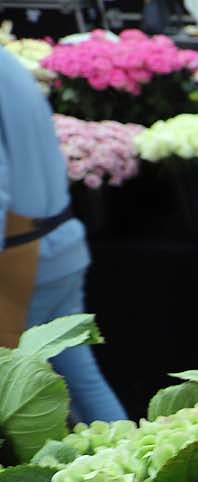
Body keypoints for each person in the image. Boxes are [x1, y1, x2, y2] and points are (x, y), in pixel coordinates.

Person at [0, 44, 125, 422]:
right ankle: (127, 466)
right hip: (59, 244)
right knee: (83, 383)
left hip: (21, 262)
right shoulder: (7, 63)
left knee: (15, 405)